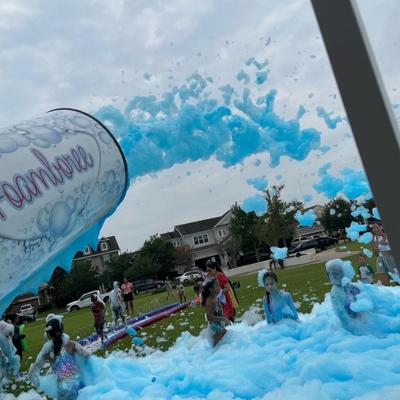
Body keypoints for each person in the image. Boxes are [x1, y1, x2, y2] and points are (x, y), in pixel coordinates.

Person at [29, 315, 89, 400]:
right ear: (62, 330)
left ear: (48, 335)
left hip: (64, 386)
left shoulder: (47, 350)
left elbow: (36, 365)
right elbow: (86, 355)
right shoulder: (72, 344)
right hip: (79, 381)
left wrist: (32, 377)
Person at [202, 279, 230, 347]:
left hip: (218, 329)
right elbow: (210, 318)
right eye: (217, 286)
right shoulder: (210, 301)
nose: (219, 287)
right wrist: (223, 318)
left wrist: (224, 317)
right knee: (217, 349)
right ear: (211, 289)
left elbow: (217, 312)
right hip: (214, 332)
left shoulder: (214, 298)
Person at [0, 320, 20, 388]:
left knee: (10, 363)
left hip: (8, 351)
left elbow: (10, 333)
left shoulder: (4, 326)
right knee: (13, 361)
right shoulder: (4, 327)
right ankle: (12, 376)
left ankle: (12, 376)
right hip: (5, 352)